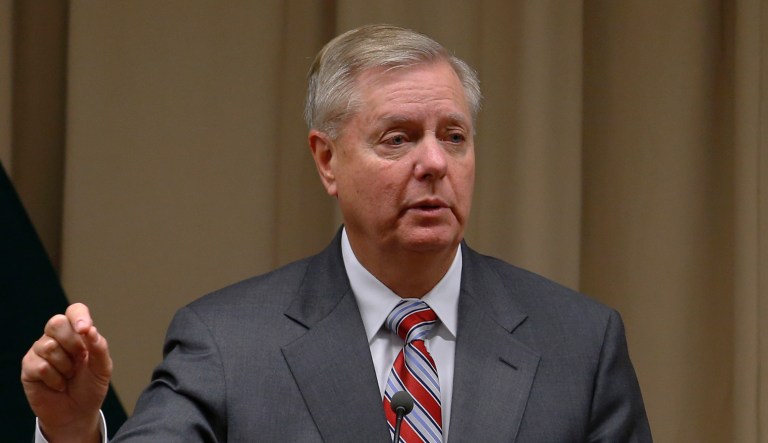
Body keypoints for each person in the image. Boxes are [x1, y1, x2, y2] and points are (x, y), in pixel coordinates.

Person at [21, 24, 652, 442]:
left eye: (453, 137)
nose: (433, 163)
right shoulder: (227, 344)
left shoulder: (580, 345)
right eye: (398, 138)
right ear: (327, 161)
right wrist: (75, 433)